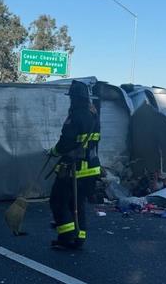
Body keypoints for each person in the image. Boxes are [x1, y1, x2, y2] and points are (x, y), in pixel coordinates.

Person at [47, 80, 101, 250]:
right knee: (78, 204)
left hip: (73, 169)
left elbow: (66, 142)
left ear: (74, 98)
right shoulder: (93, 115)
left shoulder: (75, 115)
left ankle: (66, 237)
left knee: (58, 201)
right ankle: (79, 238)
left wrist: (54, 152)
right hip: (91, 168)